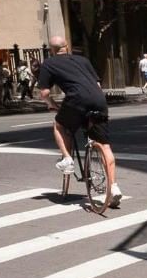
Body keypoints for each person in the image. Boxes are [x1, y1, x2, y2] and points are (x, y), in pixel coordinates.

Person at [37, 35, 123, 208]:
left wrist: (51, 104)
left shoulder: (49, 63)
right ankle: (114, 187)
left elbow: (44, 93)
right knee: (105, 145)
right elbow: (97, 85)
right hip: (98, 99)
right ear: (66, 46)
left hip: (76, 99)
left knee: (59, 125)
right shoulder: (83, 60)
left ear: (52, 50)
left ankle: (68, 160)